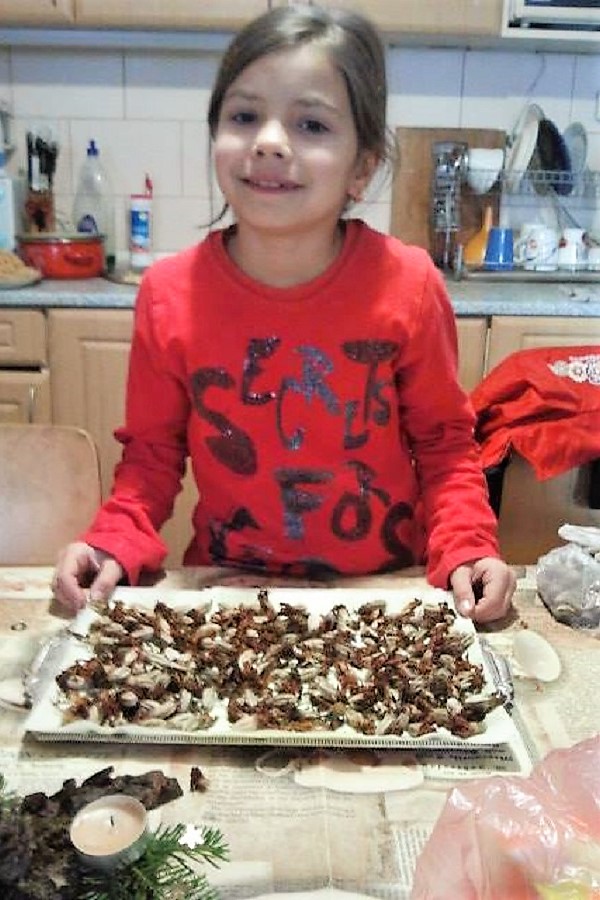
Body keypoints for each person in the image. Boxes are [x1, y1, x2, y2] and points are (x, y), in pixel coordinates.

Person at [53, 3, 515, 622]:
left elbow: (444, 446)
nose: (269, 141)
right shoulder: (168, 293)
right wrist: (115, 538)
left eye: (311, 124)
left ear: (362, 167)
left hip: (384, 595)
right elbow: (151, 456)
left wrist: (467, 545)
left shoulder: (408, 286)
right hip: (228, 596)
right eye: (244, 116)